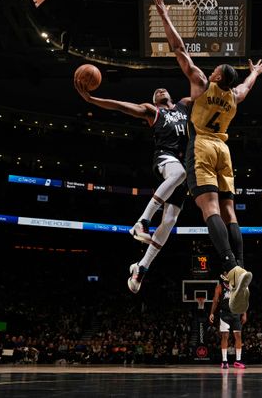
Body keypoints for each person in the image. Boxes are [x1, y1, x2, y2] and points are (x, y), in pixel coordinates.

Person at [153, 0, 262, 314]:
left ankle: (230, 266)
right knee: (231, 212)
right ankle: (240, 267)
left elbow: (179, 49)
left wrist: (164, 15)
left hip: (201, 146)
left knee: (209, 209)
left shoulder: (202, 83)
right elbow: (245, 87)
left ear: (217, 76)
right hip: (224, 151)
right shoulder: (233, 97)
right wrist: (255, 73)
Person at [74, 81, 190, 293]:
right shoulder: (152, 111)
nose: (160, 89)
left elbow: (206, 93)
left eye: (163, 89)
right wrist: (91, 100)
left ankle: (141, 269)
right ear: (155, 101)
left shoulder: (184, 105)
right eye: (156, 91)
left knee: (170, 221)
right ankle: (142, 222)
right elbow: (120, 105)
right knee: (178, 174)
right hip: (166, 157)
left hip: (184, 166)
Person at [209, 275, 247, 369]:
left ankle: (238, 361)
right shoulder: (219, 287)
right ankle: (224, 361)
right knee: (225, 336)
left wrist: (244, 313)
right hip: (224, 314)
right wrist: (212, 313)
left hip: (236, 313)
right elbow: (215, 300)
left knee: (238, 336)